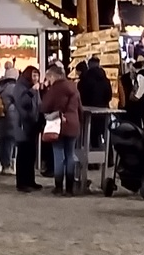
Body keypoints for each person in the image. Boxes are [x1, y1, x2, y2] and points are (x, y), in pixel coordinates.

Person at [39, 62, 82, 197]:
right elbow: (80, 108)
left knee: (59, 156)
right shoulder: (73, 87)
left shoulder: (55, 89)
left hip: (59, 125)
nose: (48, 81)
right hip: (73, 124)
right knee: (70, 155)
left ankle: (58, 186)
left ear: (53, 76)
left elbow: (44, 107)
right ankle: (69, 188)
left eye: (49, 78)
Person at [120, 56, 144, 137]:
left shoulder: (140, 76)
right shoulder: (142, 75)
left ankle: (141, 132)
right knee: (141, 118)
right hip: (139, 102)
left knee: (140, 118)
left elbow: (140, 89)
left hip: (138, 102)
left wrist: (135, 97)